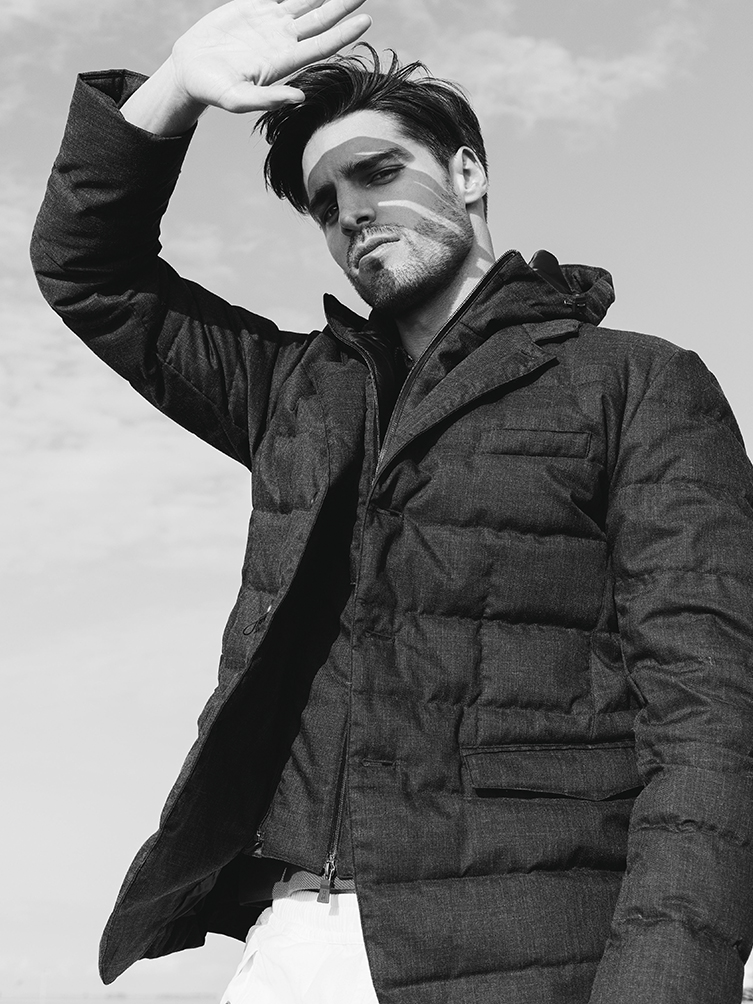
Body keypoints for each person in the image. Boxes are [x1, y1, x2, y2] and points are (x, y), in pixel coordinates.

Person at [30, 1, 753, 1002]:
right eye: (325, 202)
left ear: (468, 173)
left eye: (376, 173)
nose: (351, 214)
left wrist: (662, 984)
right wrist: (174, 90)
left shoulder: (635, 384)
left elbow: (710, 720)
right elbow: (89, 272)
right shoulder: (294, 392)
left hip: (532, 949)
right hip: (293, 942)